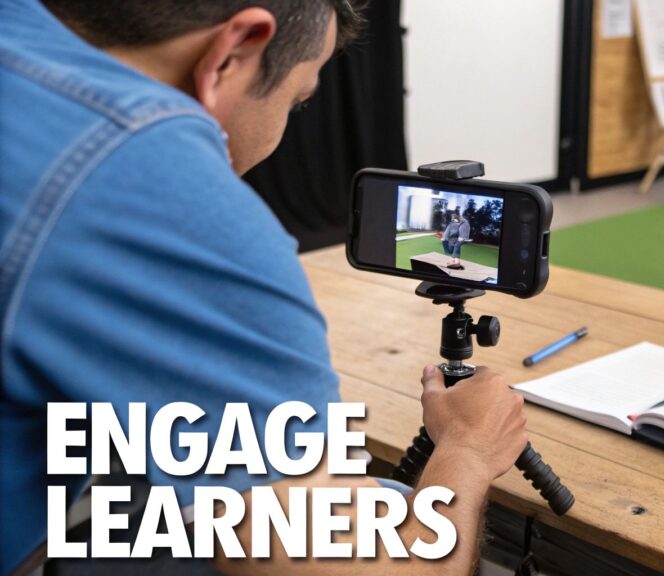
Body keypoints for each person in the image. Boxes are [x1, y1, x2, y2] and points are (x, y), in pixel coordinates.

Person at [0, 1, 527, 575]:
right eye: (297, 100)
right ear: (234, 50)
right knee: (401, 510)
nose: (286, 121)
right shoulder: (157, 182)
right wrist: (468, 451)